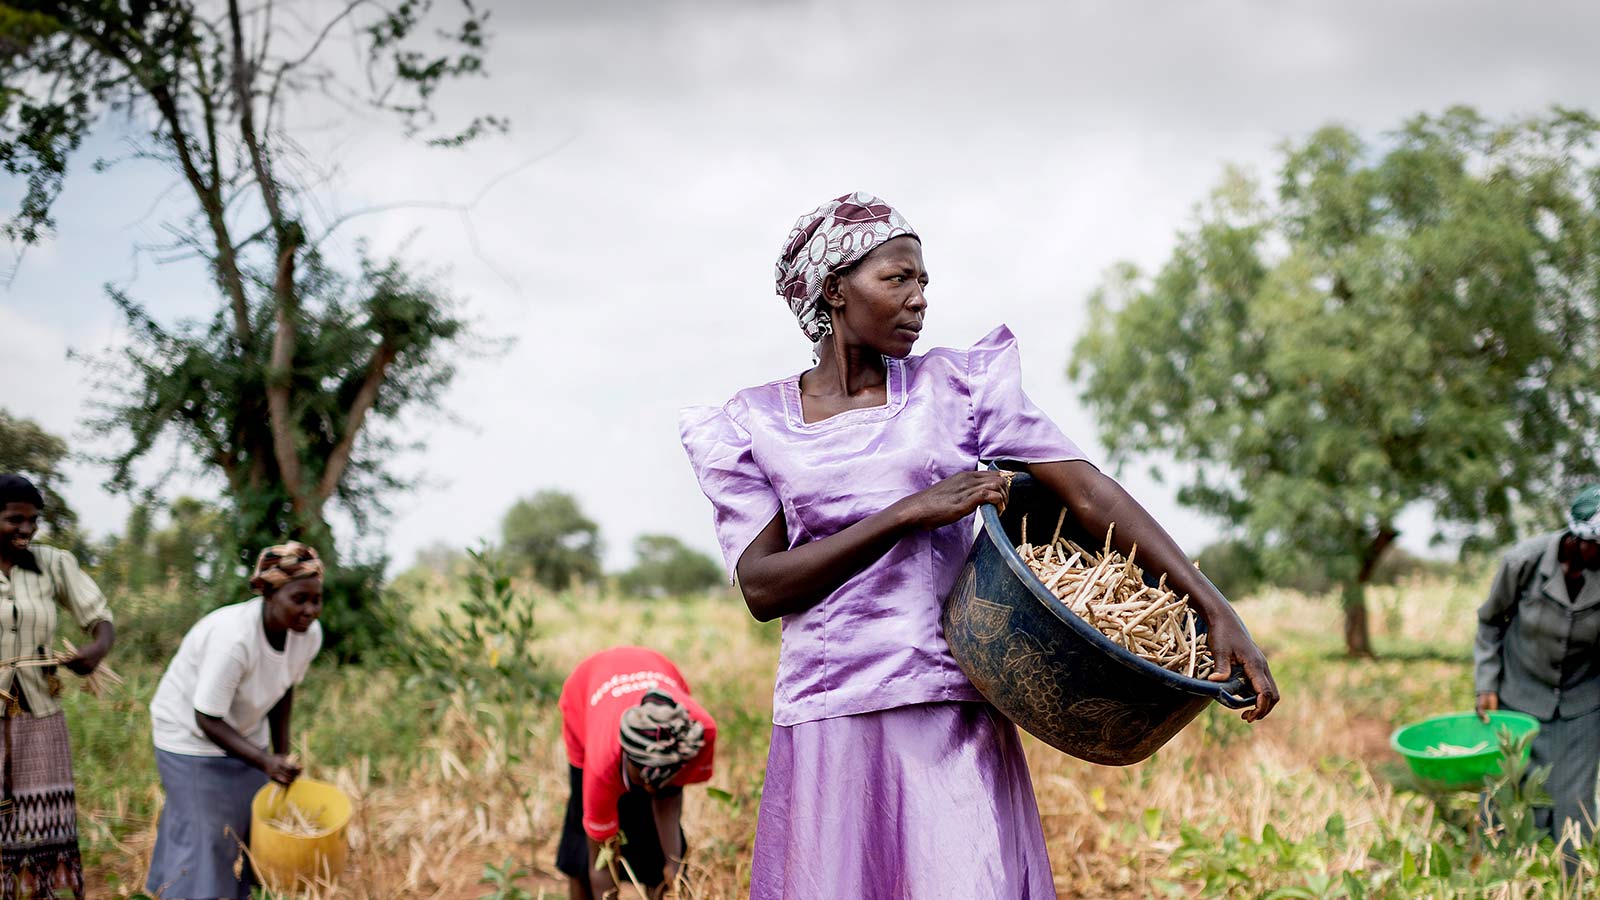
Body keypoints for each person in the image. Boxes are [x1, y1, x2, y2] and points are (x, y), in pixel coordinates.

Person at [679, 192, 1280, 899]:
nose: (919, 300)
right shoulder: (753, 423)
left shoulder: (956, 388)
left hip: (948, 704)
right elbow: (763, 587)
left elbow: (1090, 496)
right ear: (835, 291)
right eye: (897, 279)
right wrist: (910, 512)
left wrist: (1214, 608)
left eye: (924, 282)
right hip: (830, 715)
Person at [144, 541, 325, 900]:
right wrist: (263, 760)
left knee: (246, 831)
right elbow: (206, 717)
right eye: (299, 599)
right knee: (209, 834)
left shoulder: (308, 637)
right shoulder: (234, 638)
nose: (310, 610)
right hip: (188, 736)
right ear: (269, 594)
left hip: (243, 733)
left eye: (316, 599)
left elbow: (282, 687)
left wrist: (280, 754)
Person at [0, 473, 115, 900]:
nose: (26, 530)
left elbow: (99, 618)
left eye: (33, 521)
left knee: (38, 820)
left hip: (39, 713)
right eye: (15, 520)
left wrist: (96, 650)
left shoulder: (54, 563)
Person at [1475, 484, 1600, 855]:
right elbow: (1490, 622)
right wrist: (1486, 684)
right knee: (1506, 787)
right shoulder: (1523, 562)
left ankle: (1571, 882)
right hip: (1519, 692)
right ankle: (1498, 876)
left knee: (1574, 800)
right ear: (1579, 539)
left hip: (1583, 699)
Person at [556, 646, 717, 900]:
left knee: (653, 840)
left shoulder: (698, 733)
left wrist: (674, 868)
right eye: (644, 777)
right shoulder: (601, 763)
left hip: (656, 665)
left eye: (659, 779)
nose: (651, 787)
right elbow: (601, 865)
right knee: (583, 834)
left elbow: (669, 802)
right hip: (584, 691)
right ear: (625, 756)